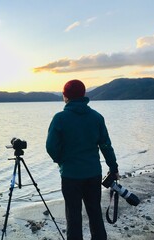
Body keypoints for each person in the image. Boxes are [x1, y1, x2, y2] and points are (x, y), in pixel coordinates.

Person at [46, 79, 119, 240]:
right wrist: (113, 167)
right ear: (84, 95)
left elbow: (51, 147)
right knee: (95, 213)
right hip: (93, 174)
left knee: (73, 217)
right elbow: (106, 145)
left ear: (65, 96)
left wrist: (61, 160)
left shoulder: (60, 118)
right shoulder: (97, 117)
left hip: (70, 175)